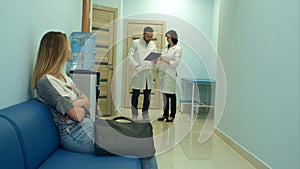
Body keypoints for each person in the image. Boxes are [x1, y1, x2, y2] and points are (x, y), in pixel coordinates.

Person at [32, 31, 158, 169]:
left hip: (90, 126)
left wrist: (76, 104)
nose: (70, 50)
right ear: (59, 50)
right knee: (143, 146)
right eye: (67, 45)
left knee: (142, 137)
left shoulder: (63, 76)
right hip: (76, 136)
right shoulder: (46, 82)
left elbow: (87, 102)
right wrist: (78, 105)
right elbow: (77, 114)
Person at [127, 26, 158, 121]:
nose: (149, 39)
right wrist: (136, 66)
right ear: (143, 34)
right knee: (135, 94)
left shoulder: (153, 44)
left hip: (148, 72)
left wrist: (155, 60)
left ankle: (145, 114)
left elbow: (154, 57)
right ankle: (134, 114)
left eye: (151, 36)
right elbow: (130, 56)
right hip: (138, 72)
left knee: (147, 95)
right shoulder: (136, 43)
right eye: (148, 36)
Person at [157, 30, 182, 122]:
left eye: (168, 37)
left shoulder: (177, 49)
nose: (167, 39)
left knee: (171, 95)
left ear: (173, 38)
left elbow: (175, 63)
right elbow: (162, 59)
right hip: (163, 73)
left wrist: (163, 59)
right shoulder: (165, 48)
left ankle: (172, 115)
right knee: (164, 94)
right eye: (166, 37)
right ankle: (165, 114)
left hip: (170, 73)